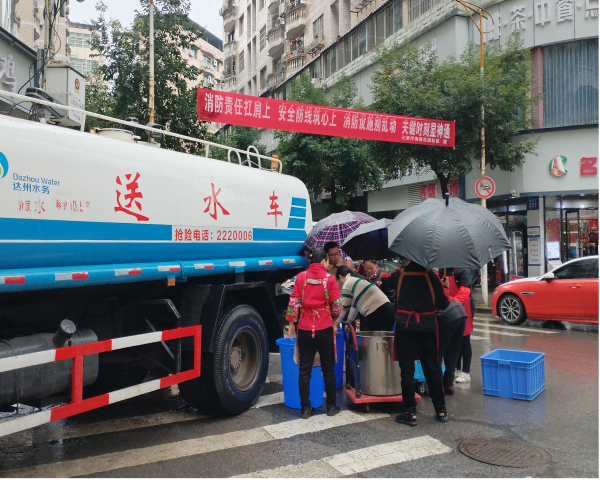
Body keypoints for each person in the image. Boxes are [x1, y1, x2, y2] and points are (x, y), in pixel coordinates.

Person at [383, 261, 450, 427]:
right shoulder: (431, 276)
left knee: (407, 371)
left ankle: (410, 412)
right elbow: (443, 304)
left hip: (405, 328)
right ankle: (441, 410)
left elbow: (384, 286)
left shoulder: (399, 274)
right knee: (432, 369)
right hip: (428, 328)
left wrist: (385, 276)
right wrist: (445, 287)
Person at [286, 247, 343, 419]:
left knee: (304, 371)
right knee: (328, 369)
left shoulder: (301, 277)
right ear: (324, 261)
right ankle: (331, 406)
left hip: (304, 328)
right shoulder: (329, 279)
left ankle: (305, 409)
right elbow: (337, 305)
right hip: (324, 328)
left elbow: (294, 300)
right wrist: (334, 319)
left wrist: (291, 323)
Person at [437, 268, 470, 395]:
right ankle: (449, 384)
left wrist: (450, 299)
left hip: (454, 310)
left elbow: (464, 291)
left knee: (438, 351)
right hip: (458, 311)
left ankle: (437, 385)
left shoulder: (462, 271)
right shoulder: (441, 271)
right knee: (452, 352)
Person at [336, 266, 395, 332]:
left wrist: (336, 325)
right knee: (386, 338)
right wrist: (348, 323)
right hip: (389, 309)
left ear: (340, 277)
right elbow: (354, 307)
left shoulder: (347, 284)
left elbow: (345, 308)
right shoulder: (356, 281)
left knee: (376, 338)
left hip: (377, 313)